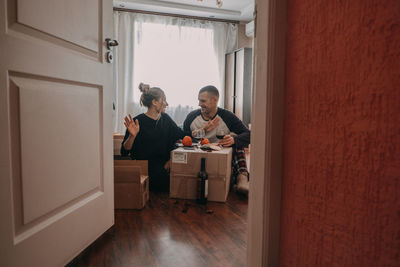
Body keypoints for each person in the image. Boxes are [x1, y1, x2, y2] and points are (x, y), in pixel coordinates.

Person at [183, 85, 250, 194]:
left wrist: (234, 139)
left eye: (202, 101)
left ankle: (242, 179)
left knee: (237, 143)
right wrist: (203, 130)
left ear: (215, 100)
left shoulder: (227, 116)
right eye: (199, 101)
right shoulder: (192, 117)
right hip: (198, 156)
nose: (199, 104)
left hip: (220, 158)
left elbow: (249, 134)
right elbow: (183, 138)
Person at [121, 83, 184, 192]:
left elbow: (181, 135)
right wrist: (132, 136)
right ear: (154, 102)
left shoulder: (166, 119)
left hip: (164, 171)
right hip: (143, 173)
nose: (167, 104)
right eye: (163, 100)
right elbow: (124, 151)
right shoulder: (137, 122)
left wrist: (171, 159)